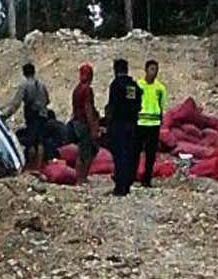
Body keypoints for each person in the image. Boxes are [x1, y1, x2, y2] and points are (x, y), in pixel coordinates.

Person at [1, 63, 51, 170]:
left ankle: (32, 168)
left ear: (24, 73)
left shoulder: (24, 85)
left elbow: (16, 103)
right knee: (40, 142)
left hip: (32, 116)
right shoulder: (41, 84)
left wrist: (5, 115)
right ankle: (39, 166)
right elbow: (47, 100)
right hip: (43, 115)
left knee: (31, 142)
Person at [106, 58, 142, 196]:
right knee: (129, 154)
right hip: (132, 124)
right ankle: (127, 183)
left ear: (116, 70)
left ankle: (120, 185)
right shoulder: (133, 85)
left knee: (119, 154)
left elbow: (112, 106)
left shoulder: (116, 85)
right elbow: (138, 103)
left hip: (119, 124)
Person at [134, 60, 168, 187]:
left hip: (154, 124)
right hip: (140, 122)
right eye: (152, 69)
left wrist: (161, 121)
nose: (154, 73)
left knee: (150, 154)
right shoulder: (138, 85)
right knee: (136, 151)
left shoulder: (160, 88)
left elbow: (162, 105)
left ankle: (147, 179)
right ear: (146, 70)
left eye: (156, 70)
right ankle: (133, 176)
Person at [71, 62, 100, 185]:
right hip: (84, 123)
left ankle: (80, 177)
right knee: (88, 150)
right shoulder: (87, 90)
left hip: (77, 122)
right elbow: (88, 108)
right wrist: (93, 126)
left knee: (83, 150)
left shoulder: (77, 89)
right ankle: (81, 177)